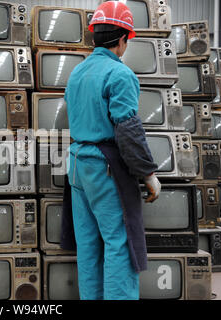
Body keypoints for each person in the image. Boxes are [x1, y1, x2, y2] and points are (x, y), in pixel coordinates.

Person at [64, 1, 162, 300]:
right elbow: (128, 131)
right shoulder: (120, 75)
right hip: (107, 169)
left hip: (78, 167)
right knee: (120, 245)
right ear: (122, 39)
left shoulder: (77, 73)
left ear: (95, 35)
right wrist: (148, 174)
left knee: (89, 247)